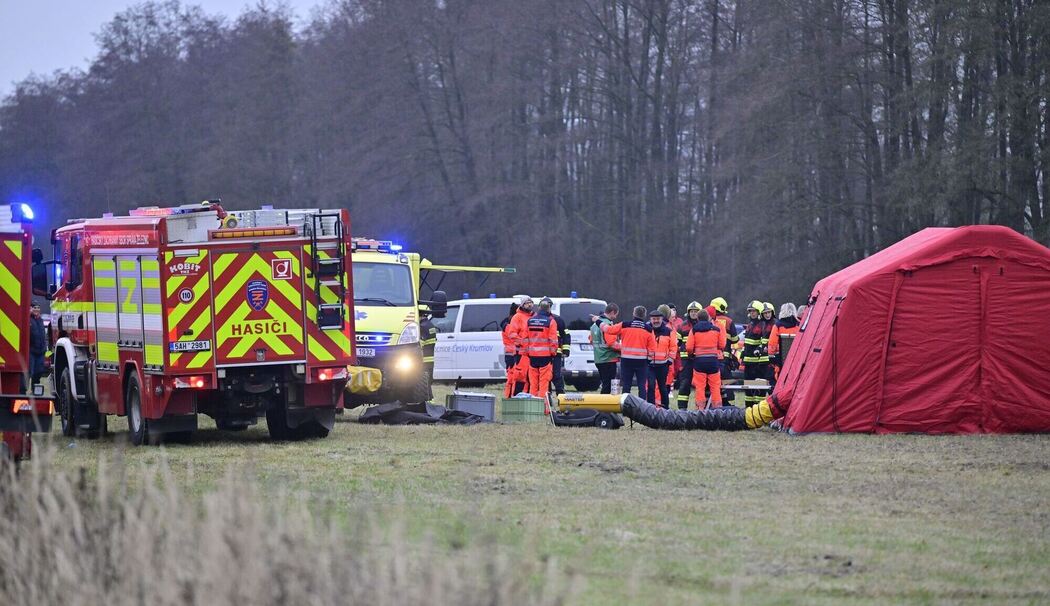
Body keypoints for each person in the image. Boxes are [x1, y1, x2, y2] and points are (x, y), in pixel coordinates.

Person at [603, 306, 656, 399]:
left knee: (626, 385)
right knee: (642, 386)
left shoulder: (624, 325)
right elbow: (652, 348)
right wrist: (649, 360)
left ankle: (625, 407)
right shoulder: (648, 329)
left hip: (626, 360)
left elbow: (609, 330)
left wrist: (598, 322)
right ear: (644, 315)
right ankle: (642, 409)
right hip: (642, 361)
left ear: (634, 314)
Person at [686, 309, 727, 408]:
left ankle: (700, 410)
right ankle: (717, 410)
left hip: (699, 362)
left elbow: (689, 347)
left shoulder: (694, 330)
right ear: (708, 317)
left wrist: (692, 354)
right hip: (713, 361)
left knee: (700, 387)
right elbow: (722, 345)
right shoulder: (716, 329)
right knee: (715, 387)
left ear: (698, 318)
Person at [525, 298, 559, 399]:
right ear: (548, 309)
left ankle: (532, 407)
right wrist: (553, 353)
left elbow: (525, 339)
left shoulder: (530, 320)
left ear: (539, 308)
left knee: (533, 383)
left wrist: (527, 352)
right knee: (544, 383)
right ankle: (544, 407)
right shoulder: (551, 322)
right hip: (545, 356)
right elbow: (553, 340)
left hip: (532, 356)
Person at [674, 301, 703, 410]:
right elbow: (676, 343)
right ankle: (682, 409)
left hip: (699, 359)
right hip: (686, 361)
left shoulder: (702, 325)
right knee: (684, 385)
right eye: (692, 311)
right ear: (688, 312)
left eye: (696, 311)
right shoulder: (682, 326)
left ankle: (700, 409)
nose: (694, 313)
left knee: (701, 386)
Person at [741, 301, 770, 408]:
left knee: (759, 390)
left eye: (754, 311)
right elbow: (747, 342)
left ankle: (758, 411)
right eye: (750, 311)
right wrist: (742, 354)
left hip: (758, 364)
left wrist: (759, 351)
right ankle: (748, 410)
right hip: (748, 363)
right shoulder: (750, 324)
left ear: (759, 312)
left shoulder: (762, 325)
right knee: (748, 389)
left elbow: (763, 342)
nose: (752, 313)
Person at [540, 297, 571, 395]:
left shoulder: (558, 319)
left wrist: (566, 350)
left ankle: (561, 398)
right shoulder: (537, 320)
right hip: (541, 354)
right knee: (545, 377)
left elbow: (566, 335)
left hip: (555, 354)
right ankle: (547, 398)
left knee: (556, 375)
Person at [646, 307, 675, 408]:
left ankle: (665, 408)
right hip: (649, 365)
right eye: (654, 319)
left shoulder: (668, 331)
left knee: (663, 387)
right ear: (650, 319)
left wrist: (669, 361)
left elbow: (673, 347)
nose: (656, 321)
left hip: (663, 365)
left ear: (662, 319)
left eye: (658, 319)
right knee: (651, 386)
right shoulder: (646, 330)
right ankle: (650, 408)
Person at [589, 303, 620, 393]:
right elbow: (612, 343)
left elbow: (591, 340)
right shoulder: (607, 325)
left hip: (598, 359)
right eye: (616, 315)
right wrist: (624, 348)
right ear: (613, 312)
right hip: (608, 359)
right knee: (608, 386)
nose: (615, 317)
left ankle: (602, 404)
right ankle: (604, 406)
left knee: (605, 383)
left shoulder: (594, 325)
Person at [508, 297, 536, 395]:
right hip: (521, 353)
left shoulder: (535, 317)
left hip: (533, 353)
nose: (529, 305)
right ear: (522, 305)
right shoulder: (517, 317)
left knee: (531, 378)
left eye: (531, 303)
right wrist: (523, 343)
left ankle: (528, 398)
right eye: (527, 303)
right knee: (520, 377)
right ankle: (516, 398)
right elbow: (512, 334)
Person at [768, 302, 799, 384]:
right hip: (797, 359)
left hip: (781, 361)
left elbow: (772, 344)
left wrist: (772, 358)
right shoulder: (800, 325)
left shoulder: (778, 325)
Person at [500, 302, 520, 397]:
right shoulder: (509, 325)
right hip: (512, 355)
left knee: (512, 379)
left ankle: (510, 397)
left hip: (510, 354)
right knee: (512, 379)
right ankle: (509, 398)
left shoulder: (506, 324)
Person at [419, 311, 438, 401]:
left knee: (424, 385)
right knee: (428, 383)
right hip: (430, 360)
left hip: (423, 361)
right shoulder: (430, 325)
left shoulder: (422, 327)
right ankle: (430, 402)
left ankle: (429, 404)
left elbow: (419, 345)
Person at [29, 301, 46, 387]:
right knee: (29, 371)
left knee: (39, 371)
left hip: (41, 351)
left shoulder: (41, 320)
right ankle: (22, 391)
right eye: (34, 307)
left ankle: (35, 389)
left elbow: (43, 334)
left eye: (38, 308)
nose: (36, 309)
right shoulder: (27, 319)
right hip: (31, 351)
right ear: (30, 309)